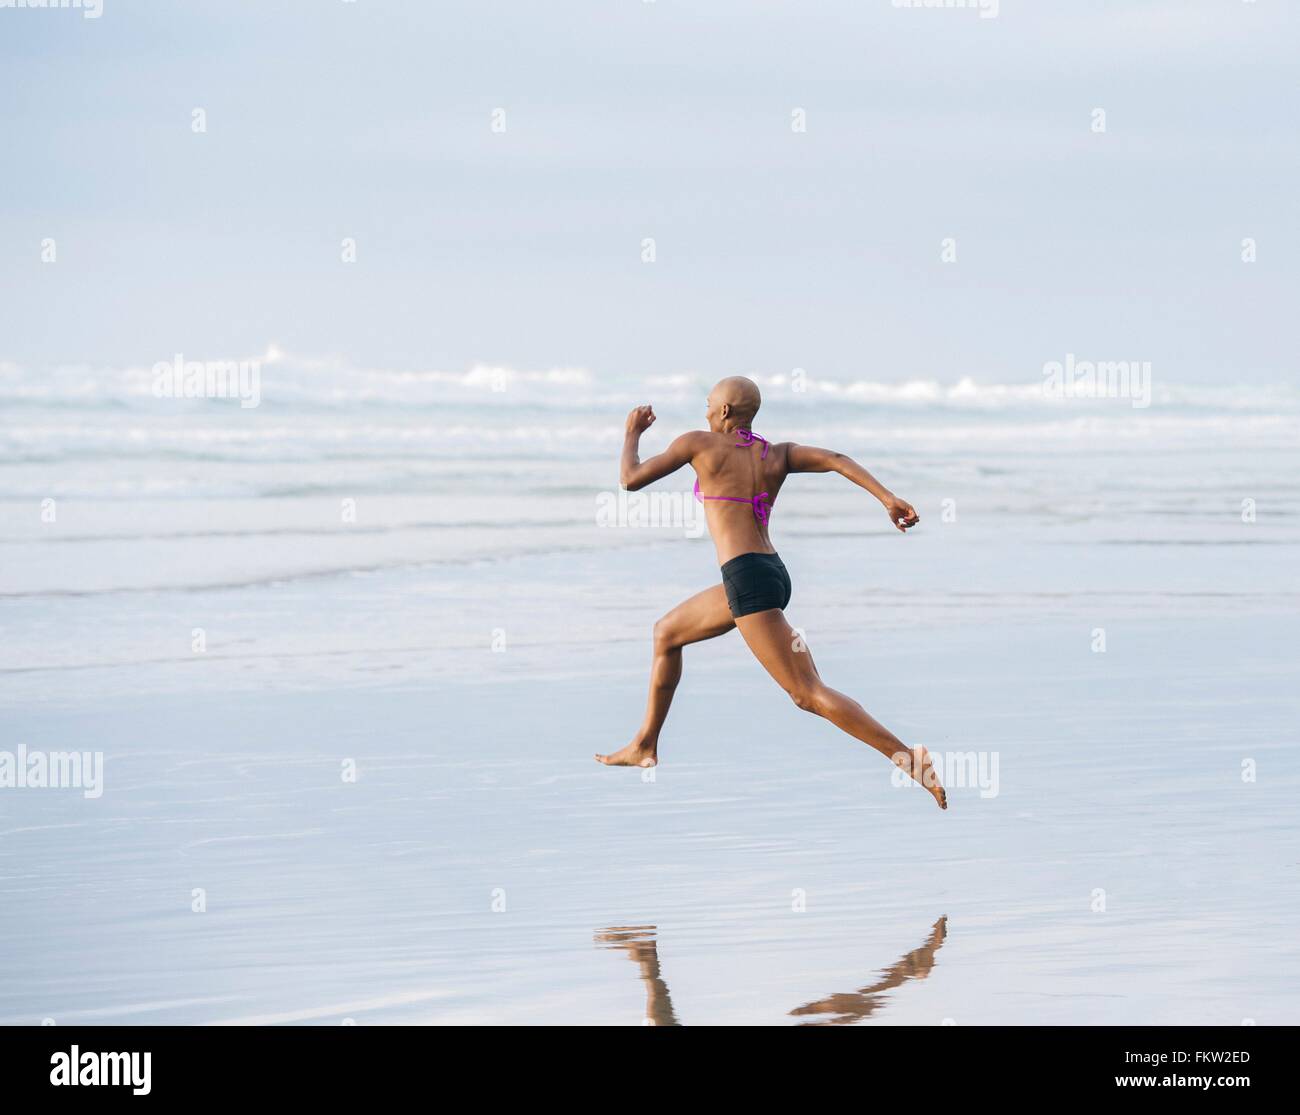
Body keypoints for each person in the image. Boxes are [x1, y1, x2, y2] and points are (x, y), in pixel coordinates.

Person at [595, 376, 946, 810]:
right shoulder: (775, 454)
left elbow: (630, 479)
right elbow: (836, 459)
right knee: (667, 632)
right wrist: (887, 498)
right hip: (768, 573)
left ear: (724, 412)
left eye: (708, 404)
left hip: (746, 578)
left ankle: (910, 759)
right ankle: (644, 744)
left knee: (807, 692)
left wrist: (632, 433)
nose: (704, 411)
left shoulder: (698, 444)